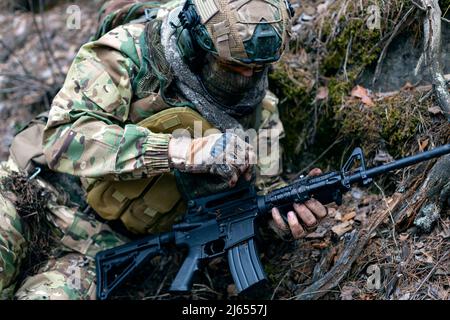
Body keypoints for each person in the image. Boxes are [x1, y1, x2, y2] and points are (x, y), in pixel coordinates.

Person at [0, 0, 327, 300]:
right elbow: (64, 139)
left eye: (257, 69)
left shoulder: (260, 111)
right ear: (195, 44)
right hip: (34, 192)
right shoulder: (130, 52)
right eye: (232, 67)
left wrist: (281, 220)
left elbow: (258, 199)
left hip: (99, 248)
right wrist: (182, 152)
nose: (246, 78)